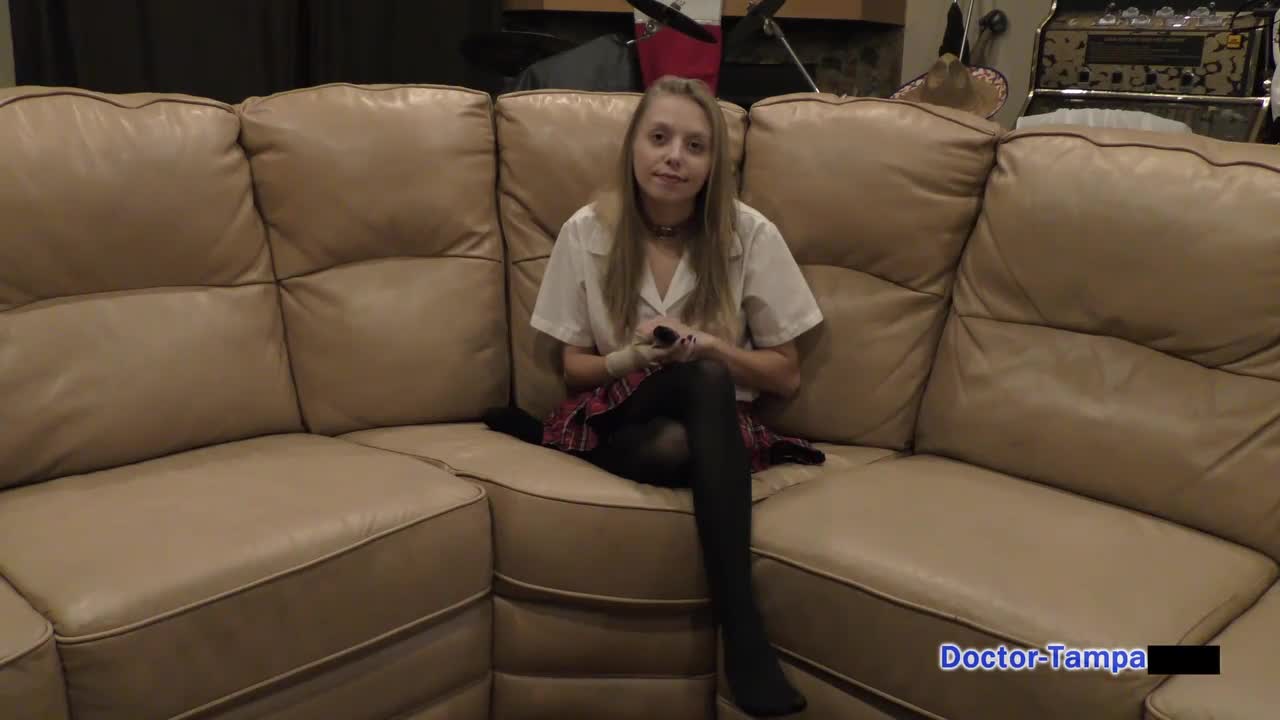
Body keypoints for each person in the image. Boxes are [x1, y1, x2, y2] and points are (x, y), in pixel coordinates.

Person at [484, 75, 824, 717]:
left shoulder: (749, 235)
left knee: (690, 415)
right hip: (620, 407)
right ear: (633, 147)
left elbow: (784, 376)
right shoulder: (586, 231)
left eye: (695, 146)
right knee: (687, 400)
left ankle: (739, 633)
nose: (674, 157)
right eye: (660, 138)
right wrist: (635, 357)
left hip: (706, 426)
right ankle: (745, 639)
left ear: (714, 163)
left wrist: (709, 345)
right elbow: (574, 370)